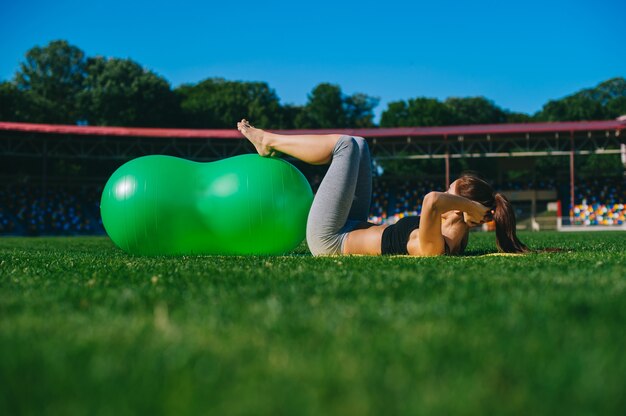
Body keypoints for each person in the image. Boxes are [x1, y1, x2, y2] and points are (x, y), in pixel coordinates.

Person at [237, 119, 528, 256]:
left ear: (459, 210)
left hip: (329, 241)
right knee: (360, 144)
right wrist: (474, 208)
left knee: (345, 146)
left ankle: (269, 141)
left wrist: (470, 207)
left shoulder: (437, 245)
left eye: (449, 191)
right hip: (351, 224)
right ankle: (270, 141)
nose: (443, 193)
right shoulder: (459, 239)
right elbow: (441, 202)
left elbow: (431, 201)